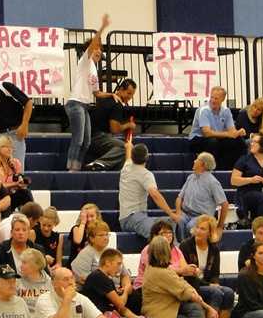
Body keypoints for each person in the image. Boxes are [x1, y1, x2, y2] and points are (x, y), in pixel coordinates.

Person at [141, 236, 215, 318]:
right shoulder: (161, 273)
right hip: (160, 314)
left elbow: (182, 283)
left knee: (199, 315)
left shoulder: (156, 268)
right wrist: (208, 307)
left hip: (170, 307)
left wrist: (193, 292)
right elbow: (185, 293)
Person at [81, 248, 159, 318]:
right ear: (107, 262)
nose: (120, 268)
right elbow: (120, 303)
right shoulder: (96, 277)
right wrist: (127, 289)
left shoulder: (109, 281)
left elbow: (121, 308)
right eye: (118, 264)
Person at [64, 14, 116, 171]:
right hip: (76, 103)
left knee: (86, 141)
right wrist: (102, 27)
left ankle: (77, 168)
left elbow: (96, 93)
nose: (99, 51)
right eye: (97, 48)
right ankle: (71, 168)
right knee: (78, 139)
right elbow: (92, 45)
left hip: (85, 105)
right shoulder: (85, 61)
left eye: (101, 49)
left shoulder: (94, 69)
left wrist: (112, 94)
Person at [179, 215, 235, 318]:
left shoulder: (214, 248)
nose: (198, 231)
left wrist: (215, 283)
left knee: (229, 293)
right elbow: (188, 276)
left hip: (208, 284)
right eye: (197, 227)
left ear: (210, 233)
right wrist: (209, 285)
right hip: (192, 285)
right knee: (215, 292)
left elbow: (215, 273)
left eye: (203, 229)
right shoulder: (185, 245)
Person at [118, 141, 179, 240]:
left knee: (169, 223)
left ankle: (174, 246)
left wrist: (128, 146)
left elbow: (128, 156)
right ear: (147, 158)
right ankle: (173, 248)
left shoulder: (126, 167)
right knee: (161, 235)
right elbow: (155, 194)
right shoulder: (146, 175)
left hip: (138, 217)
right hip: (133, 217)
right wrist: (171, 214)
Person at [188, 86, 247, 171]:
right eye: (211, 97)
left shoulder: (226, 111)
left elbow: (232, 131)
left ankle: (237, 169)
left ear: (223, 99)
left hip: (217, 139)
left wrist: (238, 133)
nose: (213, 100)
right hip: (198, 140)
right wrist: (227, 134)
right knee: (213, 141)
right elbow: (207, 133)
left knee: (239, 141)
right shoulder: (203, 110)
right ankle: (213, 170)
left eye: (216, 98)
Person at [84, 78, 137, 172]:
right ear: (121, 89)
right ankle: (99, 164)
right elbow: (114, 130)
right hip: (97, 137)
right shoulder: (117, 105)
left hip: (89, 136)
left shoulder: (106, 100)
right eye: (128, 93)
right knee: (126, 148)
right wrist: (128, 125)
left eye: (132, 95)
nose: (130, 97)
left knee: (122, 157)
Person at [176, 152, 229, 237]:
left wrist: (220, 227)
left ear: (201, 163)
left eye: (196, 159)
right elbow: (180, 198)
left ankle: (193, 245)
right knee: (178, 221)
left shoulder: (212, 182)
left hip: (203, 216)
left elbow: (225, 205)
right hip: (186, 214)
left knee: (191, 226)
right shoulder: (190, 178)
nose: (194, 161)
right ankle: (181, 245)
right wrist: (178, 210)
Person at [0, 215, 40, 286]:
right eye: (17, 230)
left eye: (24, 230)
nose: (21, 233)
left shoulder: (37, 250)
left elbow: (45, 275)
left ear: (29, 232)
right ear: (11, 232)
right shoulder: (2, 251)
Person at [0, 135, 34, 211]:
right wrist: (14, 184)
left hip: (10, 196)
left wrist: (21, 183)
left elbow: (18, 182)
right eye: (6, 147)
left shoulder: (15, 162)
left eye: (11, 147)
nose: (9, 149)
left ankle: (34, 216)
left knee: (26, 192)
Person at [14, 248, 51, 315]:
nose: (21, 266)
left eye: (24, 263)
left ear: (36, 265)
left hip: (45, 317)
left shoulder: (50, 283)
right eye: (21, 262)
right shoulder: (16, 282)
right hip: (23, 317)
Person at [67, 203, 103, 268]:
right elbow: (78, 240)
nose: (89, 219)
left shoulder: (100, 231)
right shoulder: (76, 228)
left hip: (93, 265)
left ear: (97, 216)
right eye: (86, 216)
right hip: (75, 266)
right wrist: (83, 222)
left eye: (92, 216)